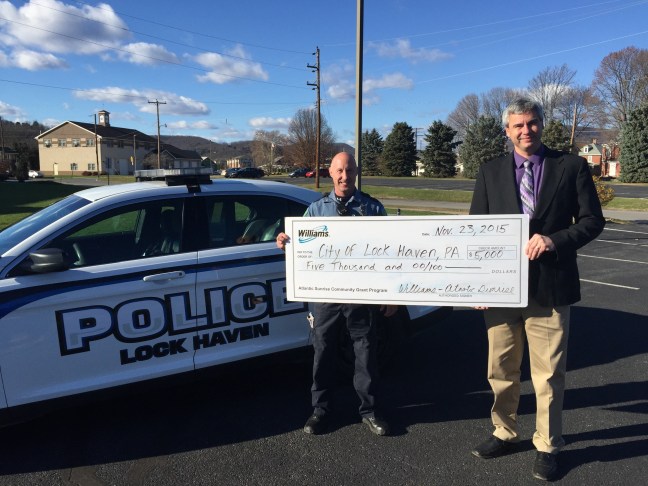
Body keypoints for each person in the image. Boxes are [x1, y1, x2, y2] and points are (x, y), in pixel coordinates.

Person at [469, 98, 605, 481]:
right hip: (500, 290)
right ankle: (505, 430)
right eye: (518, 125)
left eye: (532, 123)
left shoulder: (572, 166)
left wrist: (555, 240)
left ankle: (546, 443)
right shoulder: (490, 171)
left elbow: (593, 221)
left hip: (551, 286)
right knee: (501, 369)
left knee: (548, 374)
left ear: (541, 124)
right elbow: (476, 232)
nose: (526, 130)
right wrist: (478, 285)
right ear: (507, 130)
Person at [276, 152, 397, 436]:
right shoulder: (315, 211)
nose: (345, 177)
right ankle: (321, 410)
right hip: (326, 297)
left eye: (350, 170)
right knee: (324, 353)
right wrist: (285, 241)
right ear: (331, 173)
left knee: (365, 353)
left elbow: (393, 252)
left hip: (362, 296)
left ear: (357, 172)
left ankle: (370, 411)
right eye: (340, 171)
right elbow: (298, 246)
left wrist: (392, 295)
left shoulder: (373, 209)